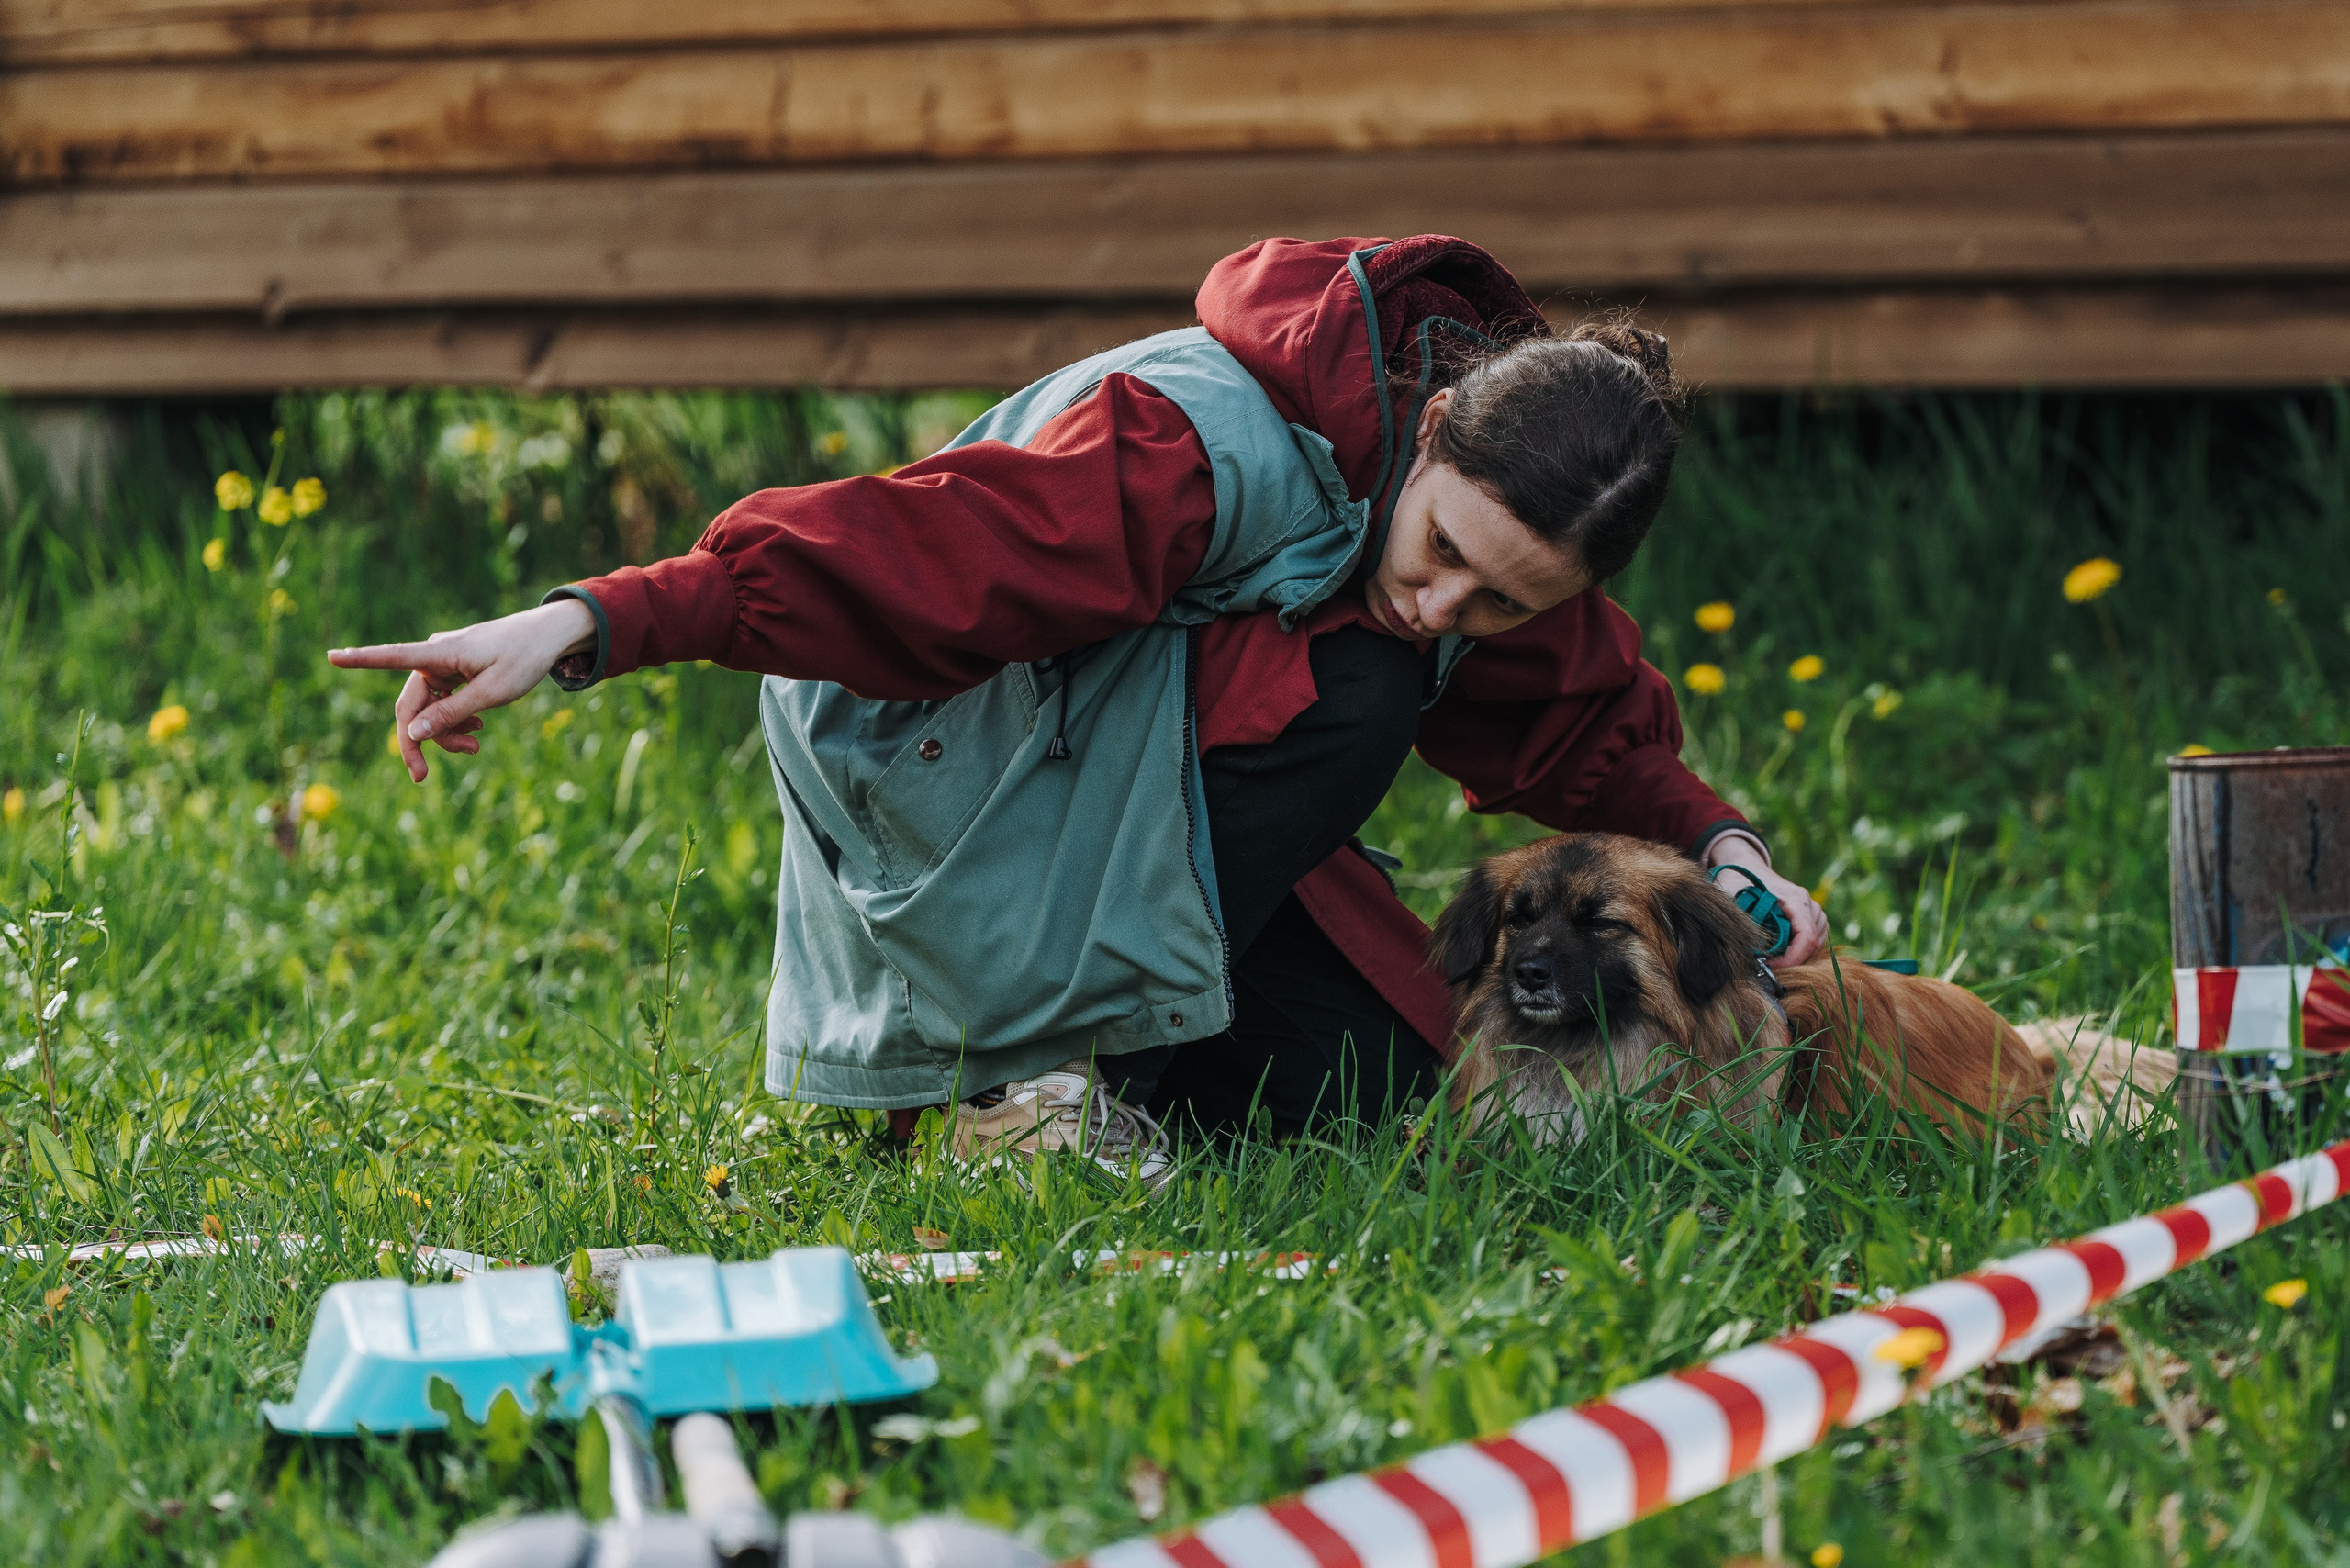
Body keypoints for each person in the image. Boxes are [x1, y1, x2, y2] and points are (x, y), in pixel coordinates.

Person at [330, 235, 1826, 1191]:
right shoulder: (1194, 441)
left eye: (1502, 603)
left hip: (1145, 805)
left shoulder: (1475, 560)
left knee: (1380, 1093)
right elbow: (918, 550)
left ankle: (1088, 1087)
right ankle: (1026, 1089)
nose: (1449, 609)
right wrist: (593, 620)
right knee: (1364, 686)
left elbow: (1586, 730)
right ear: (1432, 428)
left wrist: (1729, 851)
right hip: (941, 760)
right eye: (1446, 554)